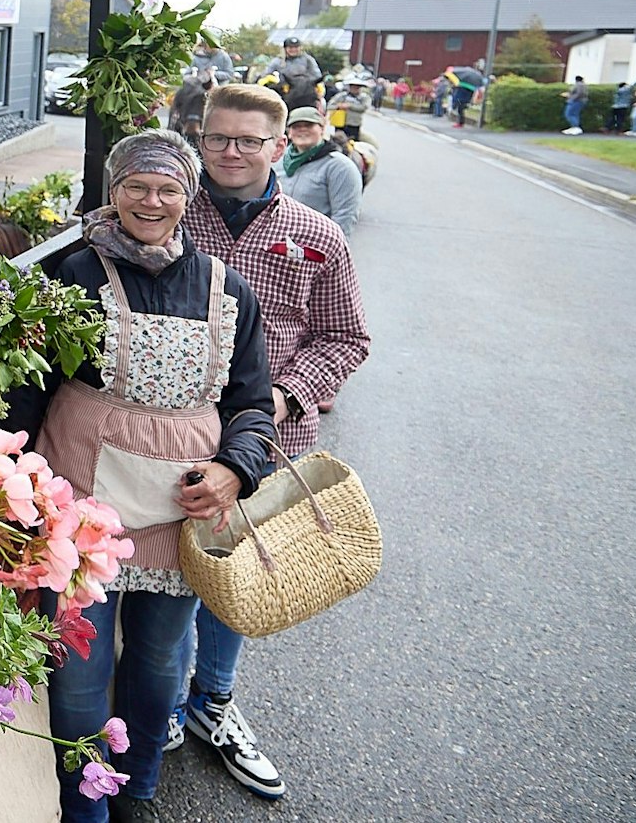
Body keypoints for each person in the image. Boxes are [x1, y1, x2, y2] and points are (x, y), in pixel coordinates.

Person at [0, 130, 276, 823]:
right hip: (81, 505)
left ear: (189, 195)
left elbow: (250, 400)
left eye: (168, 188)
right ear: (113, 190)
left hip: (181, 510)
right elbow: (28, 389)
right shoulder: (72, 277)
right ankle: (83, 804)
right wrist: (5, 480)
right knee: (79, 668)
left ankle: (139, 786)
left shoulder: (225, 287)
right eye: (136, 186)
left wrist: (233, 469)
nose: (151, 200)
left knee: (158, 660)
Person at [170, 84, 372, 802]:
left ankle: (213, 704)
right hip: (169, 432)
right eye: (218, 136)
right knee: (167, 576)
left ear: (279, 147)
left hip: (271, 440)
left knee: (236, 576)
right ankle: (162, 703)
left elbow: (347, 337)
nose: (230, 151)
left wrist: (279, 396)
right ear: (200, 138)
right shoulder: (169, 212)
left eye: (248, 140)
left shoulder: (318, 235)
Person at [278, 107, 363, 236]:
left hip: (314, 244)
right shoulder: (277, 160)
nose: (302, 130)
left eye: (309, 125)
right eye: (296, 126)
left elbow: (345, 216)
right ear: (289, 132)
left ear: (322, 129)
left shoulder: (339, 167)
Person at [269, 37, 323, 111]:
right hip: (284, 89)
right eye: (290, 47)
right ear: (285, 48)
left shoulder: (308, 60)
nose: (293, 50)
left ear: (300, 48)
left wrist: (304, 80)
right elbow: (268, 74)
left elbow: (316, 75)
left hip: (306, 90)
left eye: (296, 47)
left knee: (322, 103)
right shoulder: (277, 61)